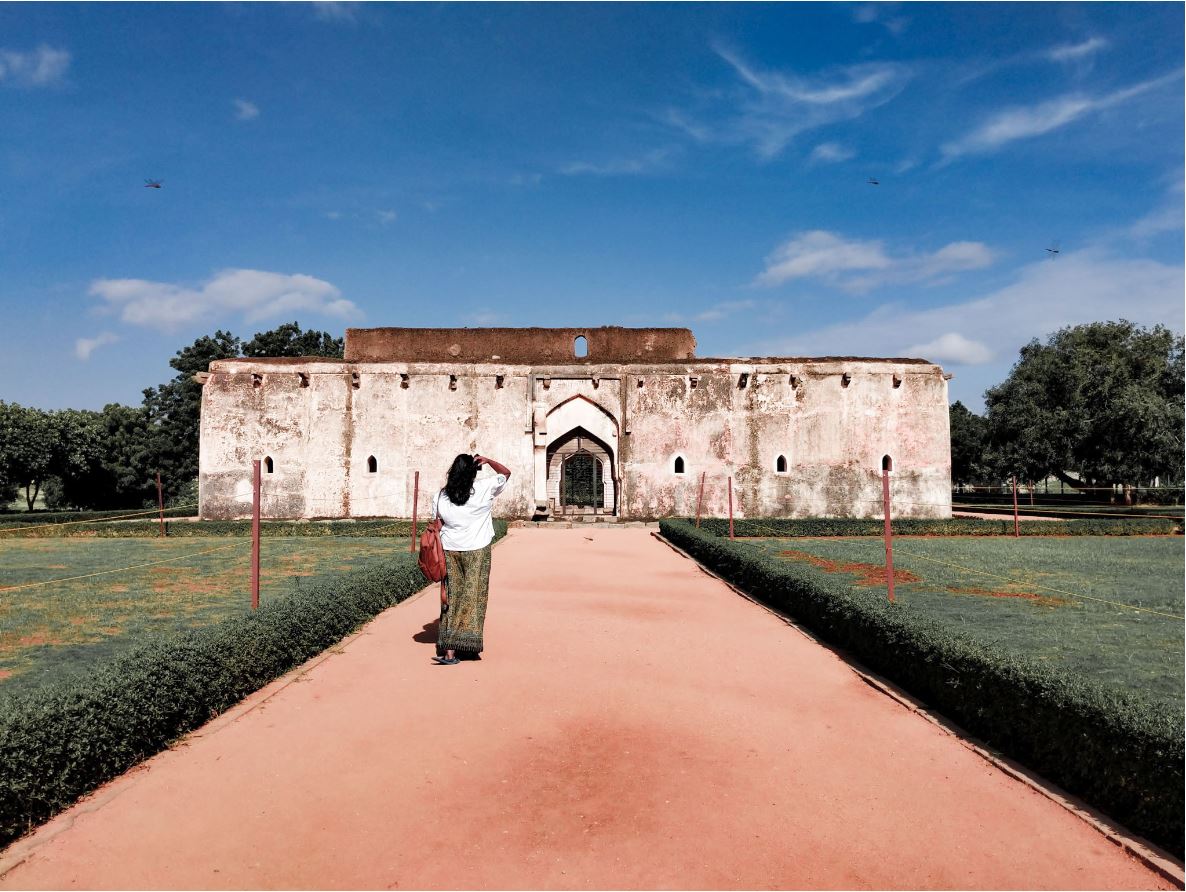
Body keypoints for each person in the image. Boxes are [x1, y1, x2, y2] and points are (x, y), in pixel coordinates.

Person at [431, 453, 511, 665]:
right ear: (473, 471)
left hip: (449, 550)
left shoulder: (440, 496)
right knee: (473, 596)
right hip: (477, 549)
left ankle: (449, 650)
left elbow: (437, 526)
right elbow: (506, 473)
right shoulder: (484, 488)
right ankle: (466, 644)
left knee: (451, 597)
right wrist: (488, 460)